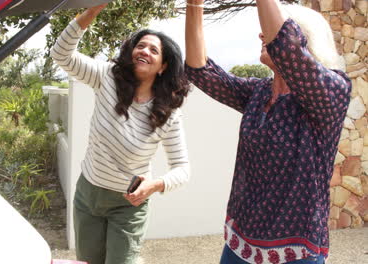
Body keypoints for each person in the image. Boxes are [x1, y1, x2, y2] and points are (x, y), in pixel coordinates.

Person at [185, 0, 351, 263]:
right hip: (241, 244)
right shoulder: (259, 92)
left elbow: (285, 47)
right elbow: (201, 72)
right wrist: (194, 5)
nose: (262, 34)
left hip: (296, 250)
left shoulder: (331, 94)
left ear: (304, 42)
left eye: (272, 28)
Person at [51, 4, 190, 264]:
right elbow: (61, 55)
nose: (144, 51)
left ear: (163, 66)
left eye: (153, 50)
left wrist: (155, 184)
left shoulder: (168, 113)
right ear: (131, 51)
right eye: (140, 45)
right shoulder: (106, 78)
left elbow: (182, 168)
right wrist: (91, 11)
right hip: (88, 195)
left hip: (128, 205)